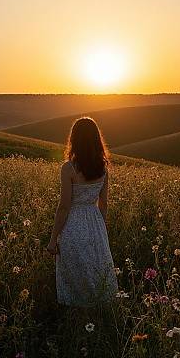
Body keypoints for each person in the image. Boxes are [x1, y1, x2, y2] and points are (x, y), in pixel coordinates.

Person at [46, 117, 118, 306]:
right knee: (95, 269)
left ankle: (77, 316)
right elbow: (104, 203)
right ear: (96, 139)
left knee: (75, 274)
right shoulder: (103, 168)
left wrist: (53, 239)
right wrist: (102, 230)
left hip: (73, 224)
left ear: (74, 139)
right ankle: (98, 312)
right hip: (95, 222)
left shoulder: (69, 168)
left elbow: (64, 206)